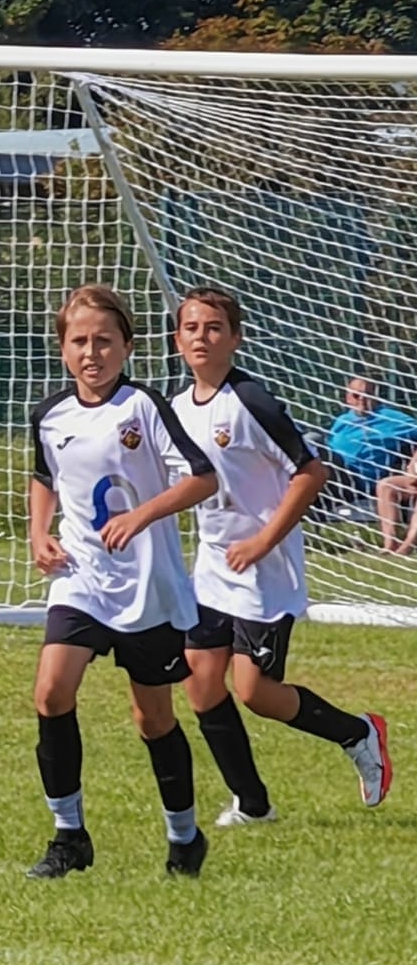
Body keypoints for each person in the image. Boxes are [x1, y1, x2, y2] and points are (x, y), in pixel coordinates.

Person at [170, 288, 392, 821]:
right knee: (200, 684)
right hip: (213, 569)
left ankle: (358, 733)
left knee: (254, 692)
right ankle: (252, 803)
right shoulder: (176, 408)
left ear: (235, 338)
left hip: (265, 569)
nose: (202, 337)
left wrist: (264, 539)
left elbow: (311, 472)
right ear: (177, 340)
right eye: (192, 328)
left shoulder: (251, 402)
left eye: (215, 327)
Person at [25, 284, 219, 880]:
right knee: (52, 692)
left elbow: (202, 479)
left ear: (127, 347)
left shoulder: (143, 407)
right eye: (79, 341)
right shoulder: (51, 415)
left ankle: (184, 838)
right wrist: (39, 532)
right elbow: (44, 477)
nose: (92, 352)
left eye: (104, 341)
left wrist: (142, 515)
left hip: (146, 587)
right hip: (81, 577)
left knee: (151, 718)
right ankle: (69, 835)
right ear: (62, 349)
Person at [323, 375, 417, 546]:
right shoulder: (342, 422)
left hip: (362, 481)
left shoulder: (393, 420)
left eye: (367, 395)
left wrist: (413, 465)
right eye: (356, 395)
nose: (362, 400)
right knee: (310, 446)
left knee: (312, 443)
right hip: (336, 480)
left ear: (375, 396)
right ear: (348, 398)